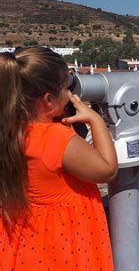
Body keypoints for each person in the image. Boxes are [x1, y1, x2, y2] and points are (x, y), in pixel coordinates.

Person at [0, 46, 118, 270]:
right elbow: (107, 170)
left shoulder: (11, 131)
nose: (71, 93)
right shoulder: (56, 138)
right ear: (48, 100)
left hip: (27, 238)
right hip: (63, 241)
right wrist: (96, 121)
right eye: (66, 87)